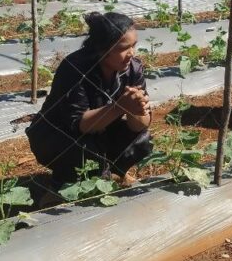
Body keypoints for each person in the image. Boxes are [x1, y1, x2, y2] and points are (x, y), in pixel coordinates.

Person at [26, 12, 153, 191]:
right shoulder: (74, 68)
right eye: (123, 48)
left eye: (134, 45)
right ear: (103, 48)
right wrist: (119, 107)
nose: (131, 53)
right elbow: (80, 124)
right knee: (85, 149)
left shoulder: (133, 69)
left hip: (100, 131)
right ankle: (60, 186)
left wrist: (137, 110)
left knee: (142, 140)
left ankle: (113, 172)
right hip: (55, 137)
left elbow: (140, 125)